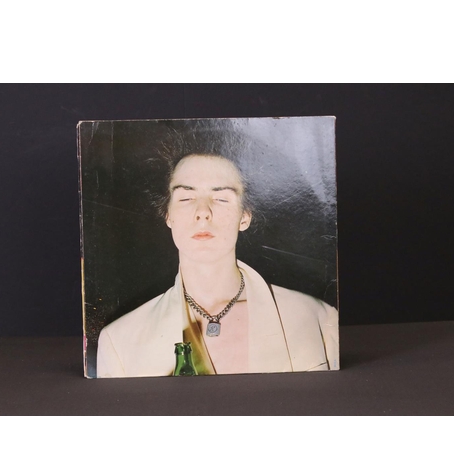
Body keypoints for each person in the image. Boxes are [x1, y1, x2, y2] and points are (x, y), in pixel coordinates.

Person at [97, 127, 339, 378]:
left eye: (221, 198)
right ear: (168, 215)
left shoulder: (319, 318)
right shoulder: (119, 341)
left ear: (245, 216)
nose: (203, 212)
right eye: (186, 198)